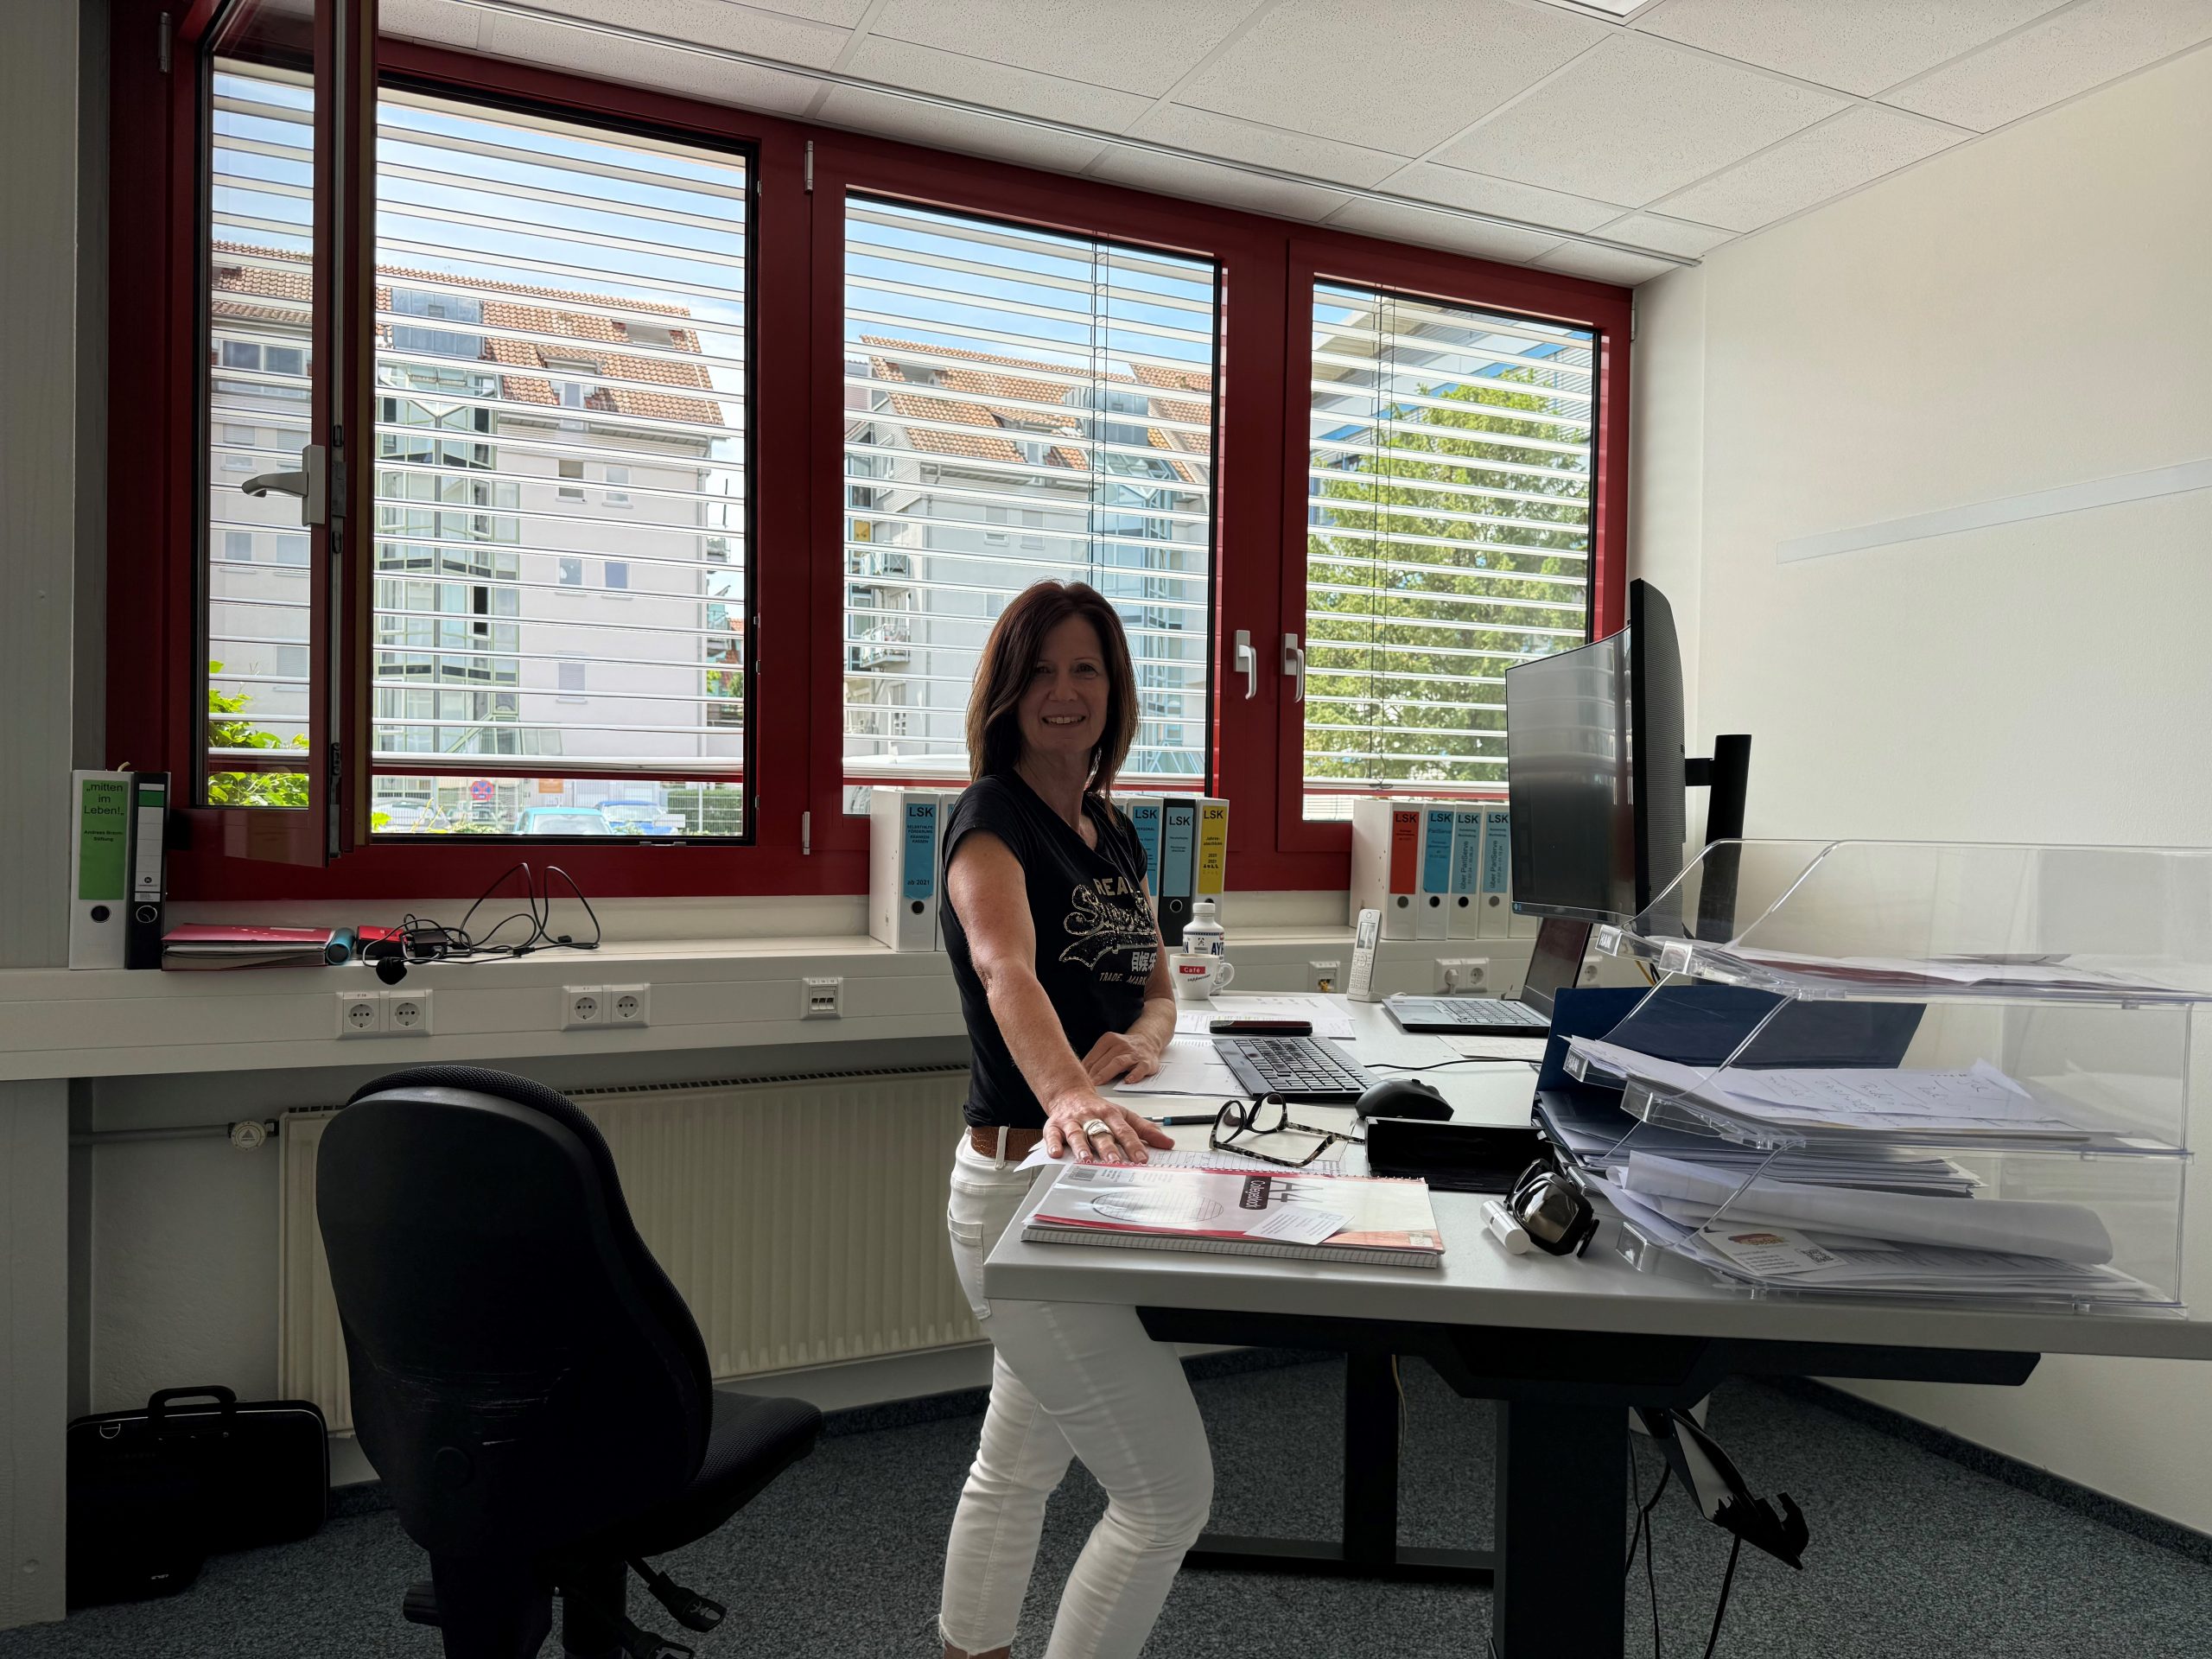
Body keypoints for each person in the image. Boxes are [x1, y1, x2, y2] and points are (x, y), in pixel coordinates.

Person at [935, 581, 1211, 1659]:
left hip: (1085, 1187)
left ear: (1114, 690)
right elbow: (1005, 970)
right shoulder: (988, 820)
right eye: (1041, 671)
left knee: (1015, 1466)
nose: (1064, 691)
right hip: (1019, 1190)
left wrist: (1142, 1038)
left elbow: (1158, 985)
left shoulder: (1111, 829)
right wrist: (1069, 1094)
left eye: (1085, 668)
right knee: (1165, 1495)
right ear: (1008, 692)